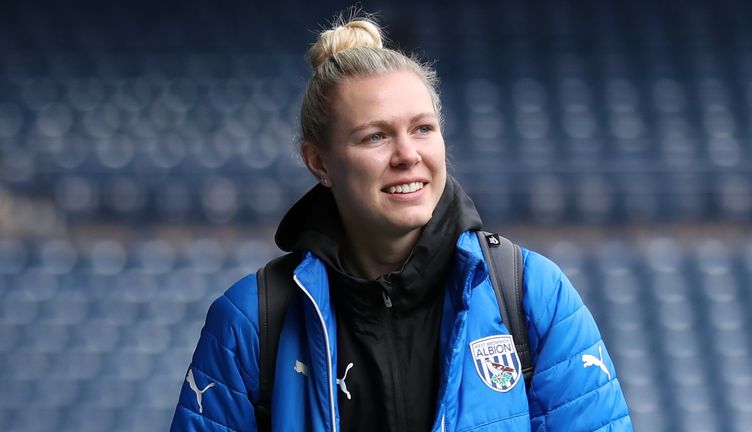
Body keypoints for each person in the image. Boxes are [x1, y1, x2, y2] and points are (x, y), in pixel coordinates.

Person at [170, 13, 633, 432]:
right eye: (376, 136)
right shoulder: (252, 321)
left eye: (423, 129)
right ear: (319, 163)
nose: (408, 155)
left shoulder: (533, 295)